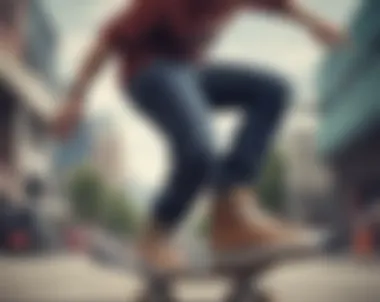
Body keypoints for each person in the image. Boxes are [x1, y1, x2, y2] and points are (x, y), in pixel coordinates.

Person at [53, 0, 346, 271]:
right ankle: (155, 236)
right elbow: (107, 40)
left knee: (273, 90)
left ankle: (231, 206)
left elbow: (280, 5)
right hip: (147, 70)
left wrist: (315, 23)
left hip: (191, 72)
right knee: (200, 150)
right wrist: (75, 98)